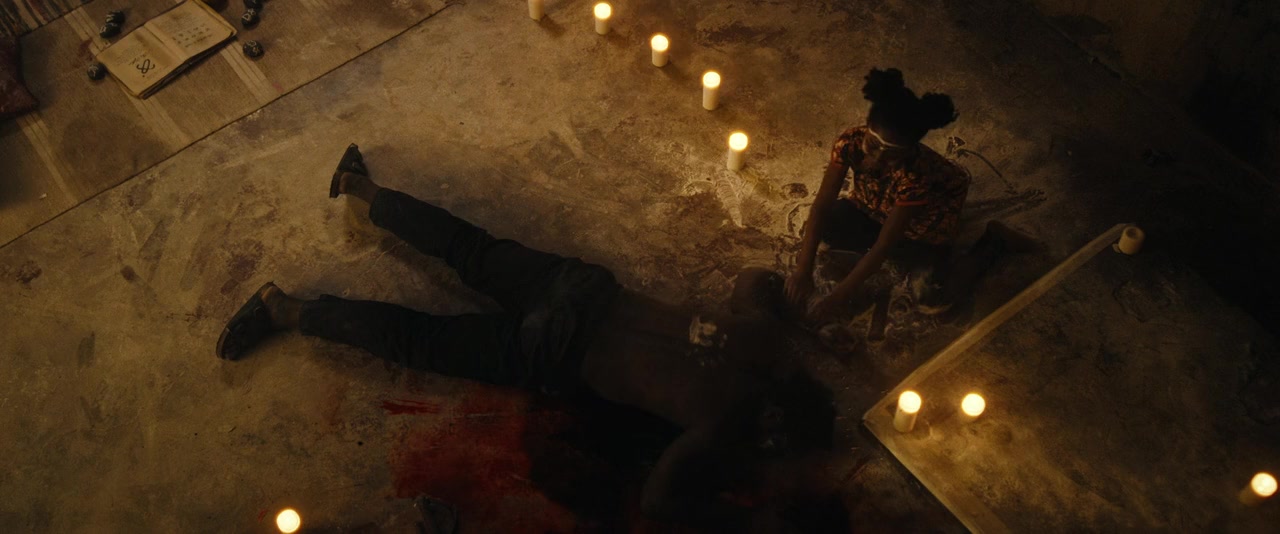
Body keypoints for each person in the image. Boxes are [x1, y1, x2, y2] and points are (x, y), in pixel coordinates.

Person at [217, 145, 836, 531]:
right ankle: (286, 311)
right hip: (558, 350)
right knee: (425, 340)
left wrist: (788, 308)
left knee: (470, 248)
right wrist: (743, 519)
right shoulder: (720, 427)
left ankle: (361, 187)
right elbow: (657, 503)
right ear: (776, 425)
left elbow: (753, 279)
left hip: (583, 289)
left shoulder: (760, 341)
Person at [785, 68, 1035, 320]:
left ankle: (995, 242)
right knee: (826, 225)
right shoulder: (850, 142)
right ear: (867, 128)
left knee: (932, 298)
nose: (879, 158)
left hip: (921, 235)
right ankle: (883, 261)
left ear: (909, 150)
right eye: (873, 145)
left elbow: (884, 245)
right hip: (874, 210)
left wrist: (837, 298)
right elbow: (822, 205)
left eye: (892, 154)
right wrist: (802, 271)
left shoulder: (916, 176)